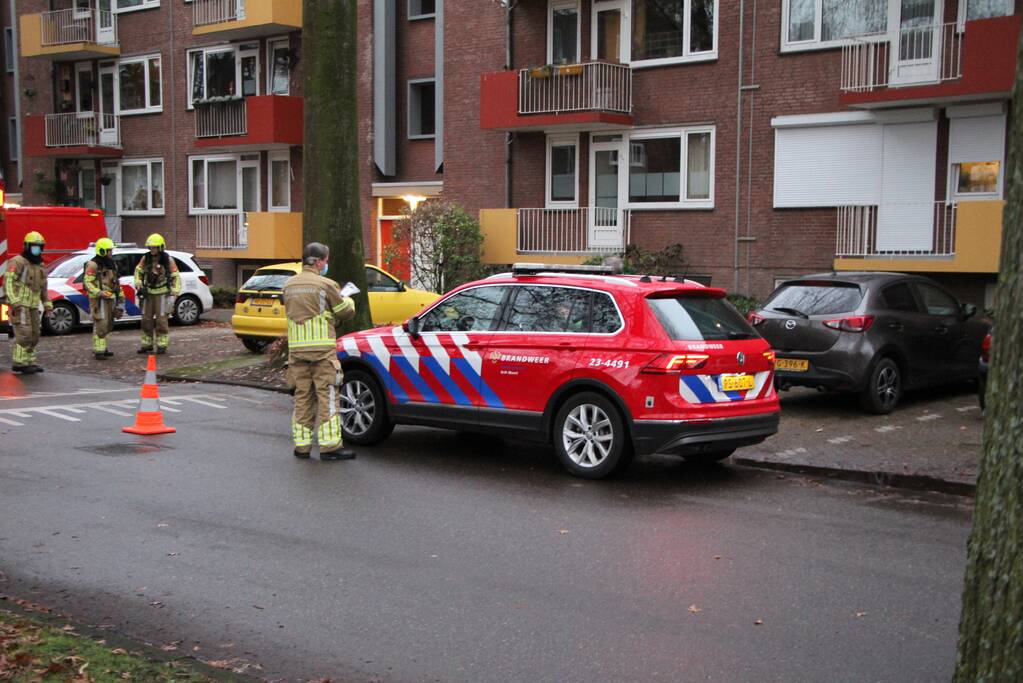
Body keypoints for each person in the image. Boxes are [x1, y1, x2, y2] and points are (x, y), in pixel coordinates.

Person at [283, 242, 356, 461]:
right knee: (328, 395)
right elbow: (345, 312)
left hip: (297, 351)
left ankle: (302, 447)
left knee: (302, 397)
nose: (327, 264)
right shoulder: (326, 284)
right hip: (322, 351)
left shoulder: (288, 285)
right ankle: (330, 447)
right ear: (317, 261)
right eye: (325, 260)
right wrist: (349, 299)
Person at [5, 231, 53, 374]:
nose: (37, 249)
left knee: (35, 334)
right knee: (24, 334)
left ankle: (30, 361)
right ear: (27, 246)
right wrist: (14, 301)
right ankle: (19, 363)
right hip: (21, 305)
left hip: (33, 305)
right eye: (34, 246)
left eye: (40, 246)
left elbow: (43, 287)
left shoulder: (40, 265)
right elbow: (8, 282)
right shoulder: (18, 261)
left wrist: (47, 304)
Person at [133, 233, 181, 355]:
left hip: (162, 294)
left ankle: (161, 345)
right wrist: (138, 283)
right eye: (151, 247)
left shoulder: (167, 259)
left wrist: (174, 293)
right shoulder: (146, 258)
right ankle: (146, 344)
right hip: (148, 294)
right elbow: (138, 271)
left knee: (161, 321)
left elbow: (176, 276)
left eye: (154, 247)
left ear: (160, 247)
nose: (152, 250)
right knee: (146, 320)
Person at [84, 238, 125, 360]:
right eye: (109, 250)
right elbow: (87, 283)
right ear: (102, 251)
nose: (111, 253)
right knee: (101, 323)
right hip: (99, 299)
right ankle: (99, 350)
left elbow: (116, 282)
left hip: (110, 297)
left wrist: (120, 296)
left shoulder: (111, 264)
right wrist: (100, 292)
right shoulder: (93, 264)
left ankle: (103, 348)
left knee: (108, 324)